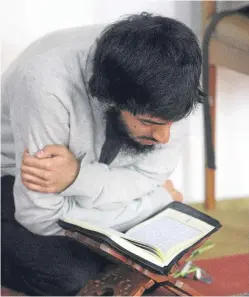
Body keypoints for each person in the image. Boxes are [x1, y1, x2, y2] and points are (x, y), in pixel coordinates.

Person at [1, 12, 203, 295]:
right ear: (109, 100)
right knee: (73, 275)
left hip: (72, 186)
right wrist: (158, 201)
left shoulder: (173, 75)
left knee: (157, 250)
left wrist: (77, 178)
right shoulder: (45, 86)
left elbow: (150, 176)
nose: (164, 138)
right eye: (149, 123)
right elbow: (40, 216)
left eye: (171, 123)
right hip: (9, 180)